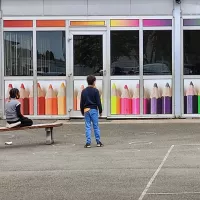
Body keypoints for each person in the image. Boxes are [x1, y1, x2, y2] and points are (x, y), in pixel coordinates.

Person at [80, 75, 103, 148]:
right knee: (96, 126)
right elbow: (98, 102)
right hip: (93, 110)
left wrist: (82, 111)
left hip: (86, 110)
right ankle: (98, 142)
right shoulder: (95, 91)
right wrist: (100, 111)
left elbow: (81, 102)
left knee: (88, 126)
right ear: (93, 82)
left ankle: (88, 143)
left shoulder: (84, 91)